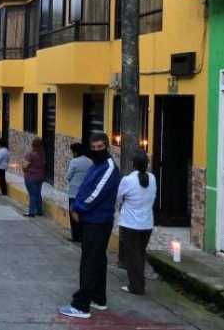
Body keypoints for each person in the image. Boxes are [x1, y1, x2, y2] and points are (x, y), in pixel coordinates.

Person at [59, 132, 121, 319]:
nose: (96, 151)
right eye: (93, 148)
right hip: (91, 220)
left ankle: (81, 305)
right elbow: (85, 187)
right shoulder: (96, 165)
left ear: (107, 147)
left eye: (100, 147)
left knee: (89, 262)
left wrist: (78, 207)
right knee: (97, 260)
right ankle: (98, 298)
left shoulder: (109, 168)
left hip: (98, 221)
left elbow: (96, 193)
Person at [117, 150, 156, 295]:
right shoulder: (152, 178)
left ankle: (136, 286)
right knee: (140, 253)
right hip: (147, 223)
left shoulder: (127, 180)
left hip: (130, 224)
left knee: (132, 257)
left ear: (133, 164)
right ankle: (139, 284)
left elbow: (119, 197)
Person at [66, 143, 93, 241]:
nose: (72, 154)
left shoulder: (74, 161)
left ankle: (75, 236)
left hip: (74, 193)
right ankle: (83, 235)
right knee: (83, 214)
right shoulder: (90, 162)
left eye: (73, 152)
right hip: (85, 193)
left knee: (73, 214)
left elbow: (68, 176)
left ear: (76, 152)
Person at [22, 137, 46, 217]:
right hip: (40, 177)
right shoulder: (42, 154)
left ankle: (31, 212)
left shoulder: (30, 154)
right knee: (38, 194)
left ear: (32, 145)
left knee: (32, 195)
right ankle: (39, 211)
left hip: (30, 177)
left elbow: (25, 166)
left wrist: (23, 168)